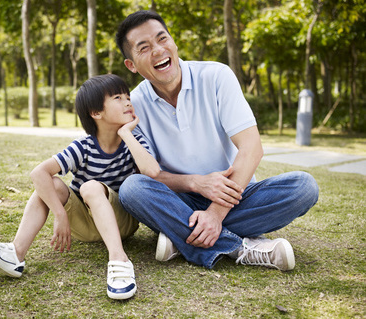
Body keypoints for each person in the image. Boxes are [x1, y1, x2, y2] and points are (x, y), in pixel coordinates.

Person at [115, 10, 319, 271]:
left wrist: (214, 214)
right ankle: (239, 248)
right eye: (144, 48)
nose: (158, 50)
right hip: (179, 199)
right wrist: (197, 183)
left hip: (234, 194)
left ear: (174, 42)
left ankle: (182, 237)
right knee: (132, 189)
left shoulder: (216, 76)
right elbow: (150, 174)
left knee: (303, 187)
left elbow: (252, 148)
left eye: (162, 39)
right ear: (131, 65)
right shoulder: (133, 106)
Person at [0, 74, 160, 300]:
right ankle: (15, 253)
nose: (128, 101)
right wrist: (59, 214)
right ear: (96, 113)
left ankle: (119, 260)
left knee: (90, 187)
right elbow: (38, 173)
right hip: (83, 224)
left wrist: (126, 133)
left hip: (122, 224)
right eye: (118, 97)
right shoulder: (84, 145)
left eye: (128, 96)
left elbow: (152, 171)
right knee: (52, 184)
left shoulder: (133, 139)